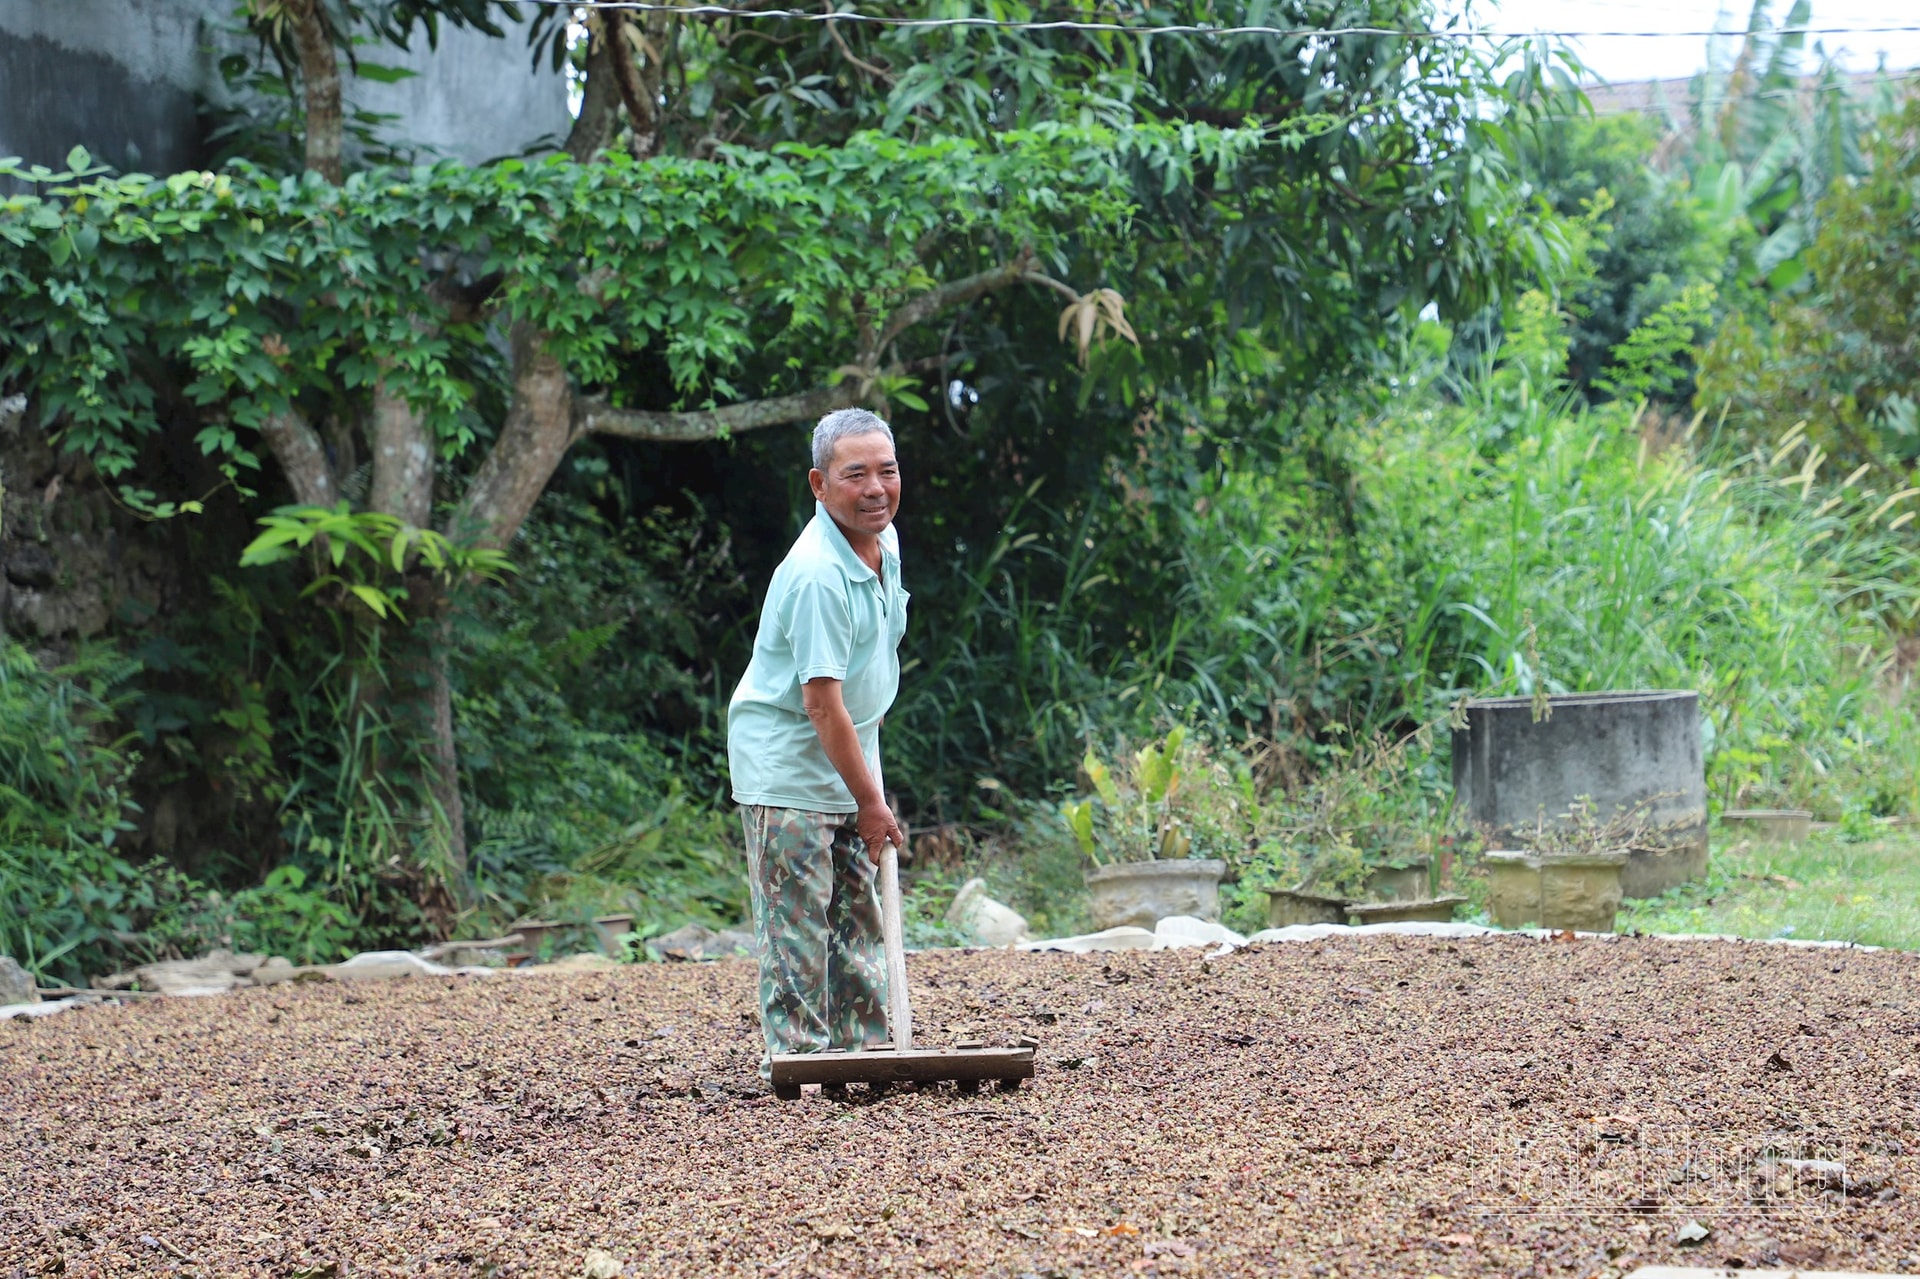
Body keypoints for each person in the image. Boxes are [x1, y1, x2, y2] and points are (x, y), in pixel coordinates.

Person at [727, 408, 910, 1079]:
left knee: (858, 918)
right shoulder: (815, 574)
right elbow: (820, 702)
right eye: (854, 474)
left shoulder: (884, 546)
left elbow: (868, 672)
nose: (875, 488)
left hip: (846, 755)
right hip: (787, 762)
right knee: (799, 930)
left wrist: (868, 792)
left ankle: (867, 1057)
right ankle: (801, 1069)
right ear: (818, 483)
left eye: (886, 471)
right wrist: (870, 801)